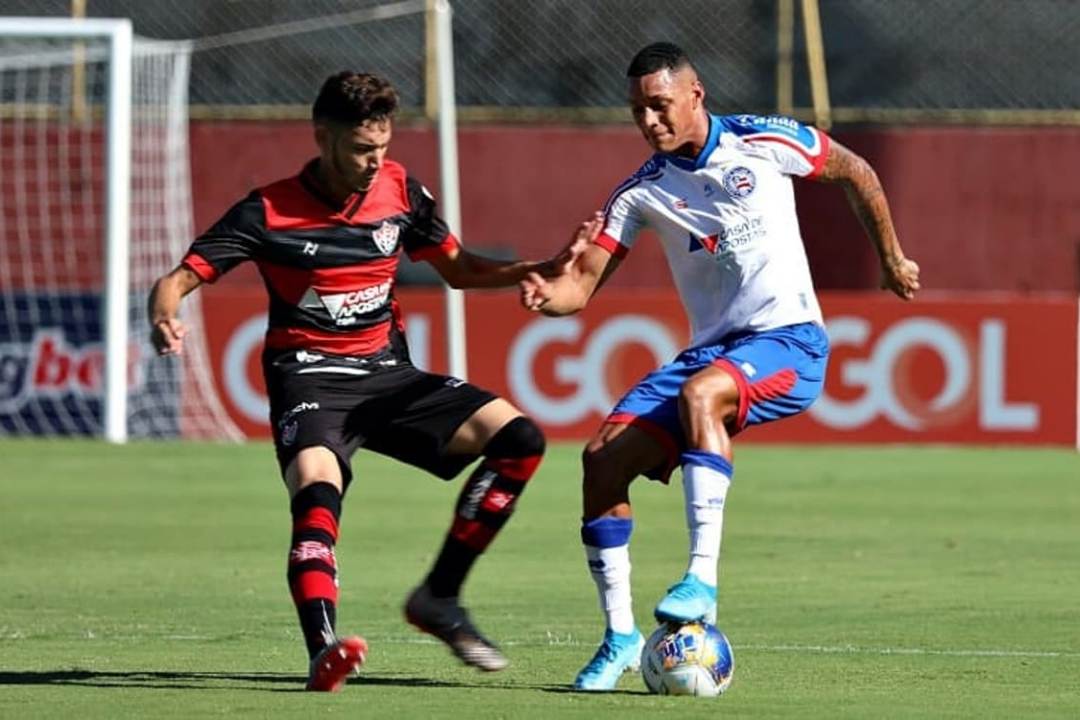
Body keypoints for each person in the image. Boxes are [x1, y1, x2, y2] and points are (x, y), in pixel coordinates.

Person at [148, 71, 574, 692]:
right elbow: (180, 277)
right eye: (360, 150)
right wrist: (164, 313)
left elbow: (459, 269)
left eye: (382, 147)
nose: (375, 162)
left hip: (388, 378)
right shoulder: (267, 209)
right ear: (323, 138)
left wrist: (537, 268)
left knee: (520, 441)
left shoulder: (400, 188)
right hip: (309, 381)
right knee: (317, 492)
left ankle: (439, 597)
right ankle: (323, 650)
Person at [520, 42, 921, 691]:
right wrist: (548, 294)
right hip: (712, 354)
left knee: (705, 396)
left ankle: (701, 579)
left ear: (695, 95)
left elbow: (857, 171)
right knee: (601, 459)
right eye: (637, 111)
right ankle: (620, 635)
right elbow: (581, 286)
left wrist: (891, 257)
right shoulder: (641, 192)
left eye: (659, 105)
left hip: (789, 341)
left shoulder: (764, 140)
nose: (649, 122)